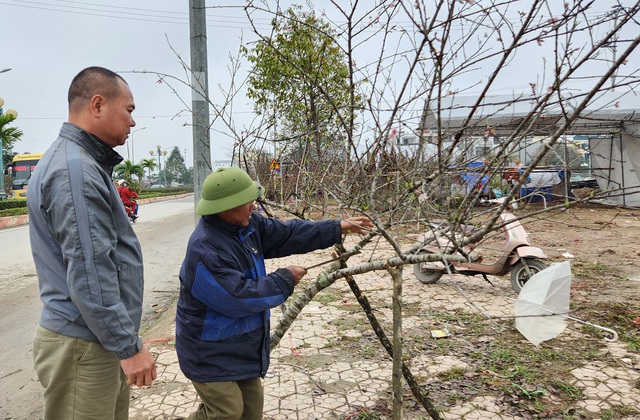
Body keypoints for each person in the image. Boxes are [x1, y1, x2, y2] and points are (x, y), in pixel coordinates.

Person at [176, 167, 373, 420]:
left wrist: (336, 228)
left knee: (250, 410)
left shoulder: (247, 225)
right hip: (208, 351)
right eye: (247, 201)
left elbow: (288, 234)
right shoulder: (206, 250)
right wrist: (283, 280)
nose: (253, 205)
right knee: (225, 412)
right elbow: (237, 298)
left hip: (242, 345)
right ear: (226, 207)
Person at [26, 66, 156, 420]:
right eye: (129, 110)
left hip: (95, 340)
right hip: (84, 345)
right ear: (97, 105)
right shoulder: (76, 172)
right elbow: (90, 272)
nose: (132, 122)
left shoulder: (81, 164)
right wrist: (129, 348)